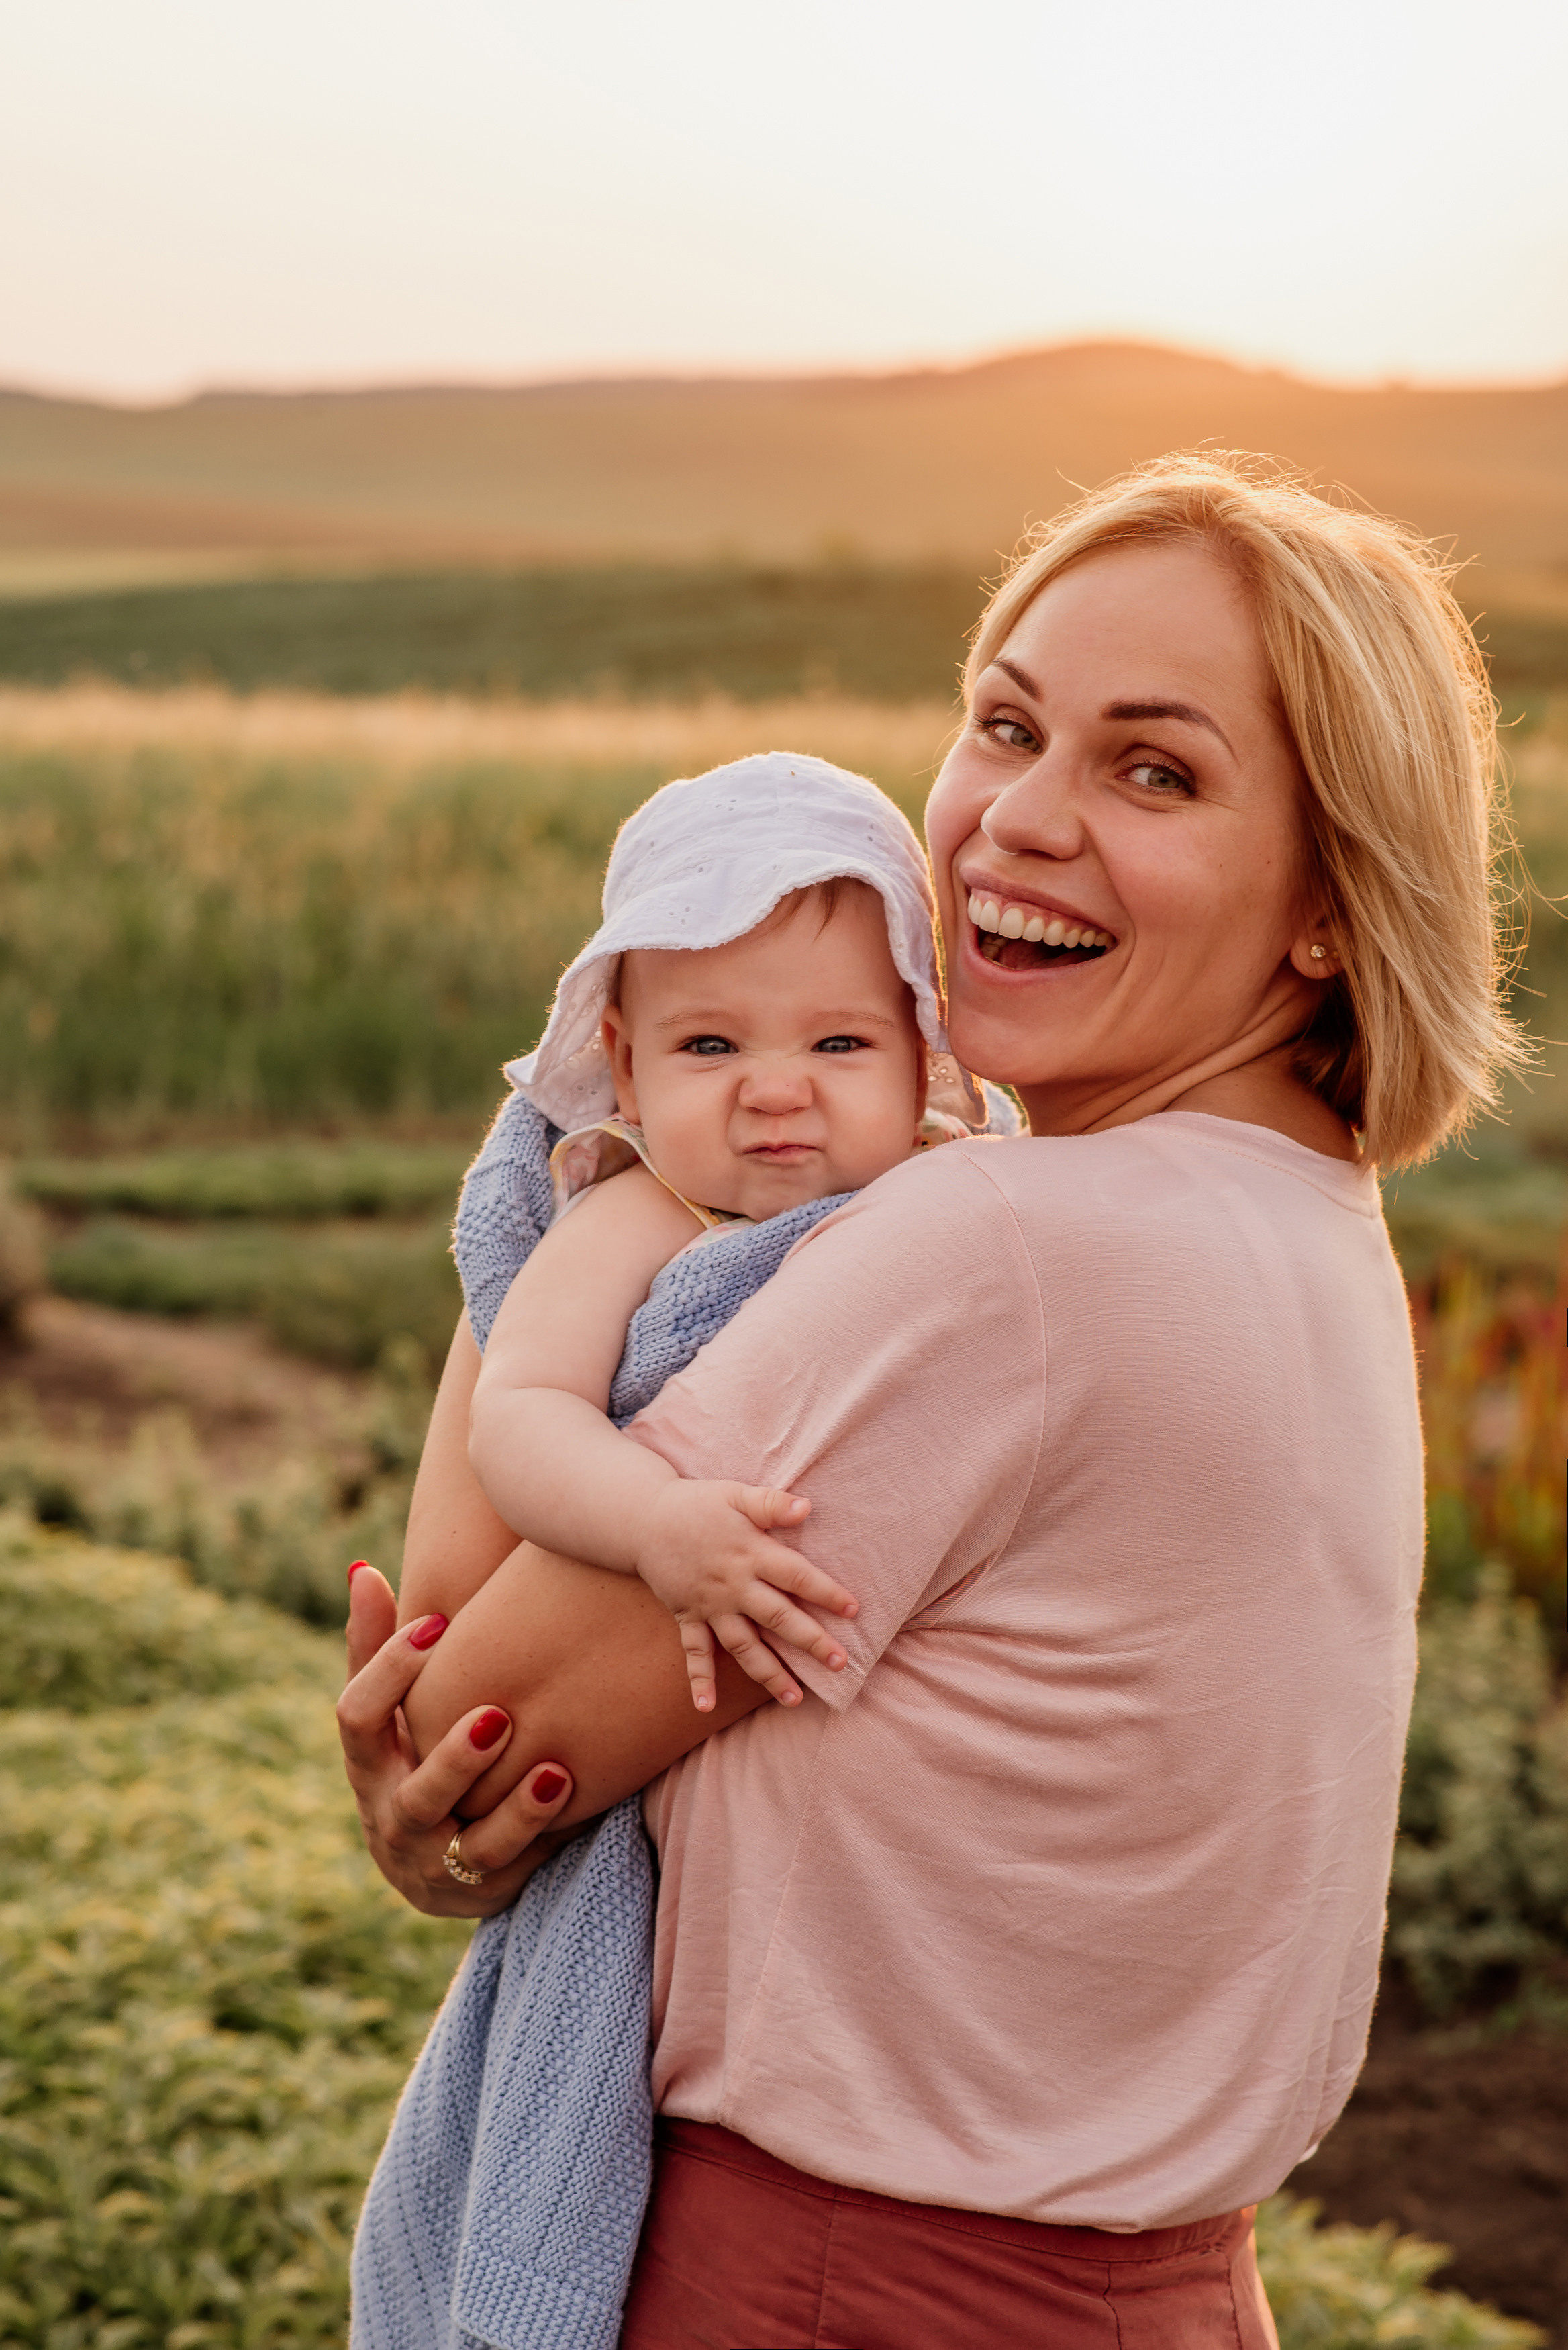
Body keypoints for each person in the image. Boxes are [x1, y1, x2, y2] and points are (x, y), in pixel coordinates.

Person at [338, 452, 1522, 2349]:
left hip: (834, 2289)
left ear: (1327, 903)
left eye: (1155, 769)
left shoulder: (1013, 1248)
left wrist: (592, 1163)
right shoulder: (1311, 1227)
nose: (1012, 823)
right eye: (1006, 724)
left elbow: (473, 1694)